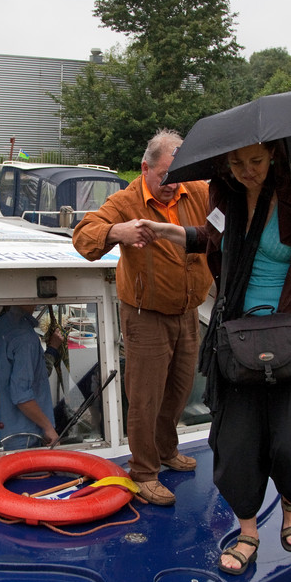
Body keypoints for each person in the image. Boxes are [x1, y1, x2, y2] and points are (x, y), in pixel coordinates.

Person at [138, 140, 291, 574]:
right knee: (234, 444)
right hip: (238, 334)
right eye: (236, 162)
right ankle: (248, 530)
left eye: (254, 161)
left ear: (273, 154)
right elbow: (213, 240)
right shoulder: (225, 189)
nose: (246, 170)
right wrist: (169, 232)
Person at [72, 130, 213, 506]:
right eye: (164, 175)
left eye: (178, 174)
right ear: (145, 168)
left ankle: (166, 450)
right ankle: (144, 471)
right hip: (145, 314)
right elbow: (83, 237)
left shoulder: (197, 191)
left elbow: (222, 226)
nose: (171, 183)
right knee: (145, 397)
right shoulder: (126, 200)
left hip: (187, 312)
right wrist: (117, 231)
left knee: (179, 390)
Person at [0, 304, 64, 450]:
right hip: (23, 437)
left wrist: (52, 349)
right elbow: (21, 395)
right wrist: (48, 428)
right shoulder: (25, 337)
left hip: (1, 432)